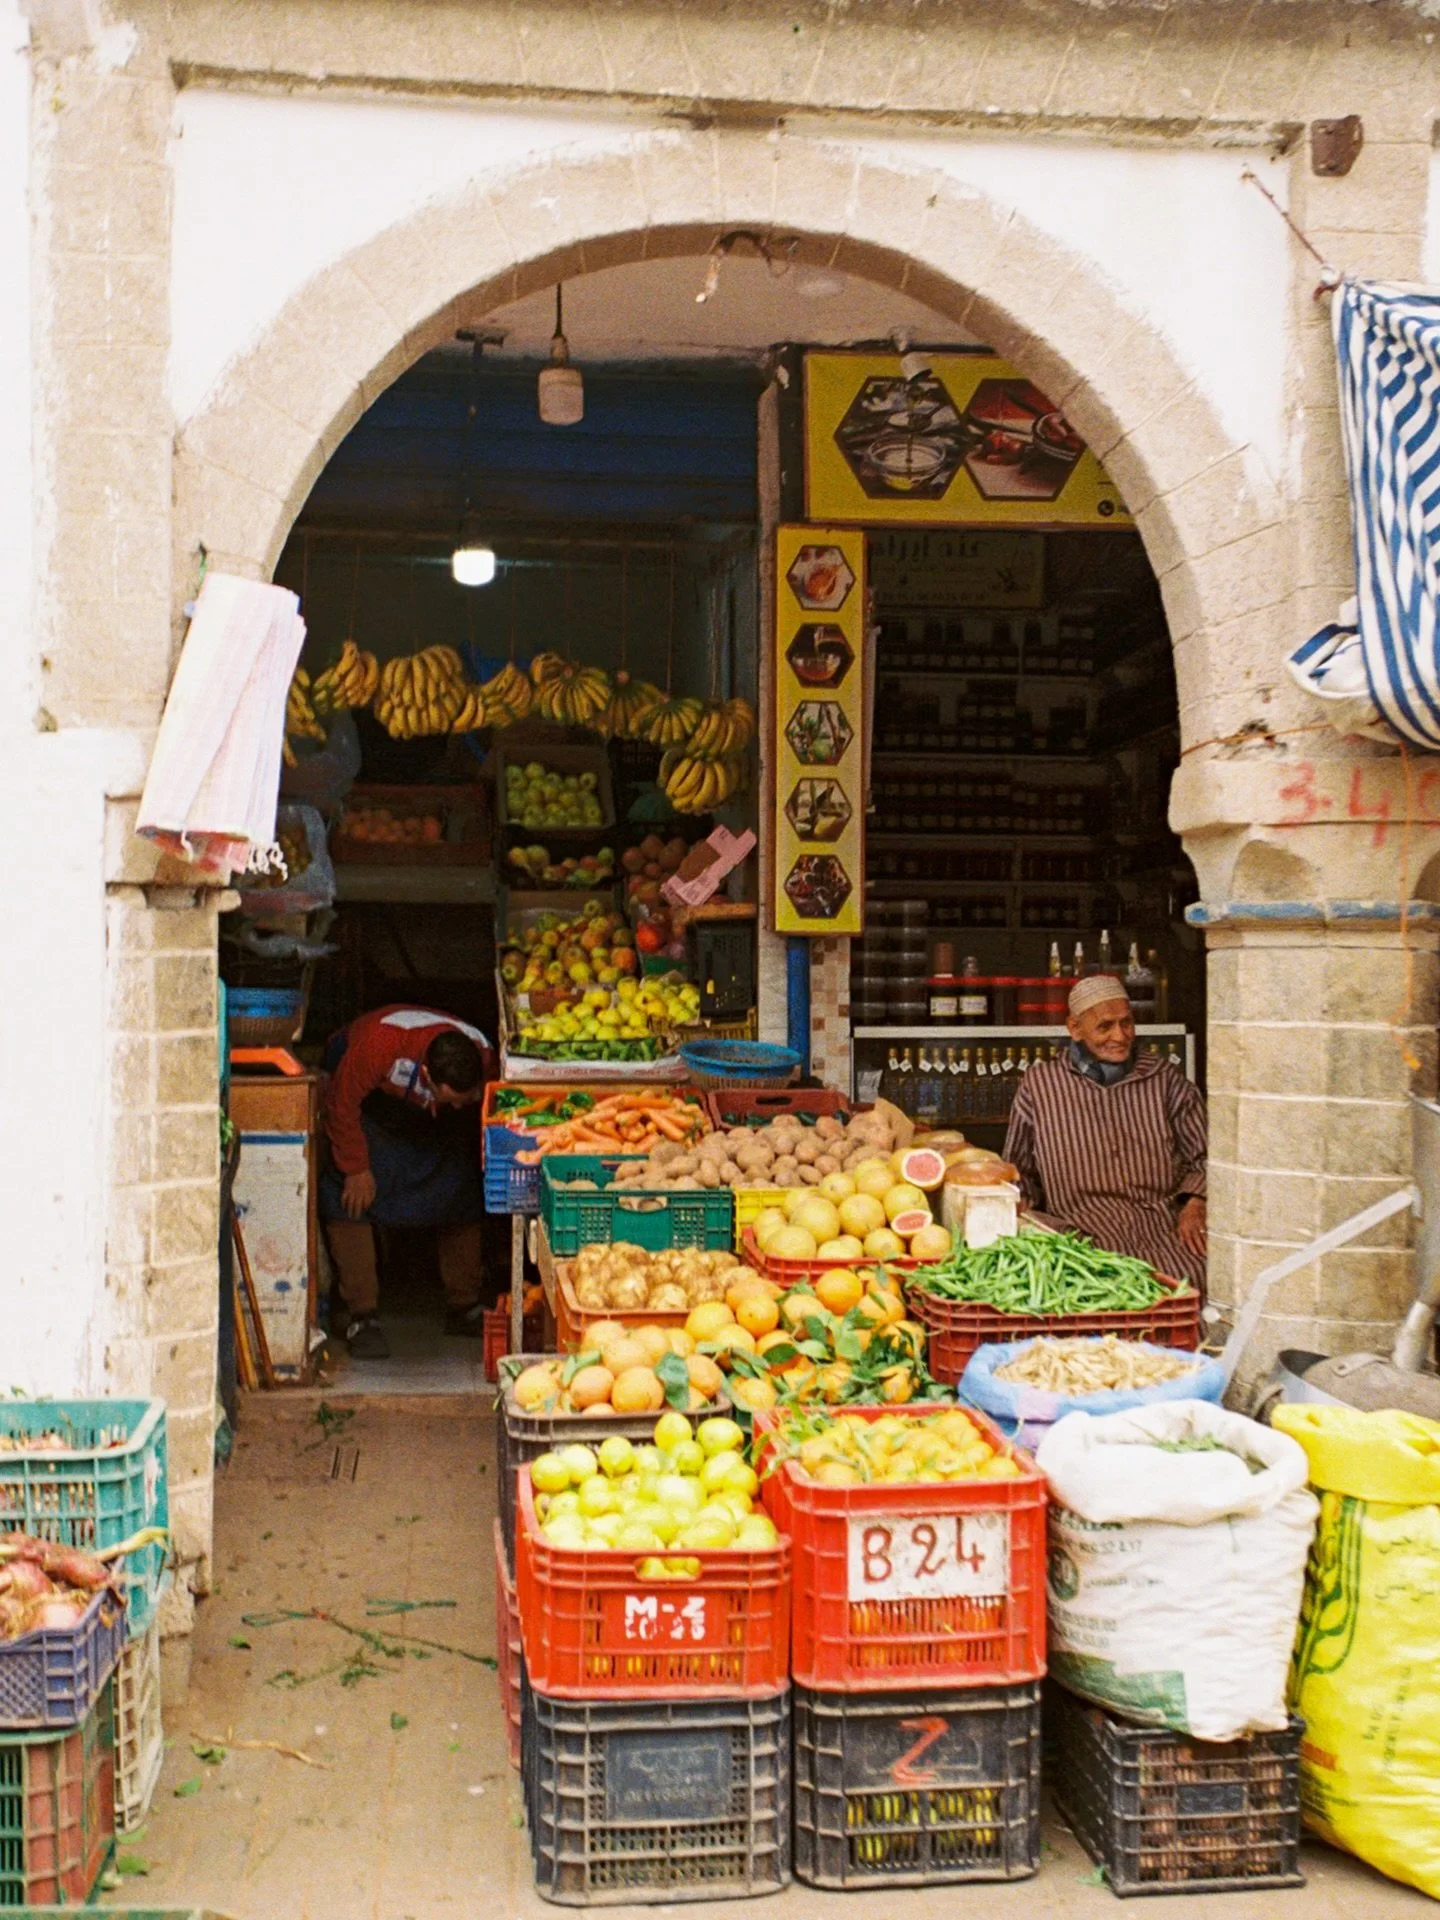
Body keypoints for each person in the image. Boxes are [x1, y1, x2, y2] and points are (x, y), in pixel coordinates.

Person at [1003, 974, 1208, 1289]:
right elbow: (1018, 1173)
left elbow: (1206, 1156)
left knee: (1196, 1284)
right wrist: (1022, 1211)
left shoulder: (1165, 1079)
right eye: (1105, 1026)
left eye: (1127, 1023)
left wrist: (1196, 1204)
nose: (1120, 1036)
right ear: (1075, 1029)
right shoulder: (1041, 1086)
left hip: (1163, 1232)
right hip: (1083, 1238)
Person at [320, 1005, 494, 1359]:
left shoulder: (485, 1054)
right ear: (427, 1076)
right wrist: (355, 1168)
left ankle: (464, 1304)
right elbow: (341, 1104)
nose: (461, 1105)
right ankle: (361, 1314)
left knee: (463, 1188)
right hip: (372, 1114)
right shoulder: (379, 1045)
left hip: (435, 1126)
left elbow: (487, 1111)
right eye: (453, 1099)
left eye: (466, 1100)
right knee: (346, 1196)